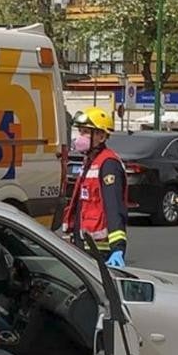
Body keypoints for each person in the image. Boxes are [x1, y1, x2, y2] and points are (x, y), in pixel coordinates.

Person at [60, 106, 128, 267]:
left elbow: (113, 207)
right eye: (80, 131)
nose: (80, 137)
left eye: (85, 132)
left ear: (101, 136)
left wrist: (118, 248)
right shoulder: (90, 162)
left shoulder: (108, 165)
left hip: (99, 249)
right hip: (84, 245)